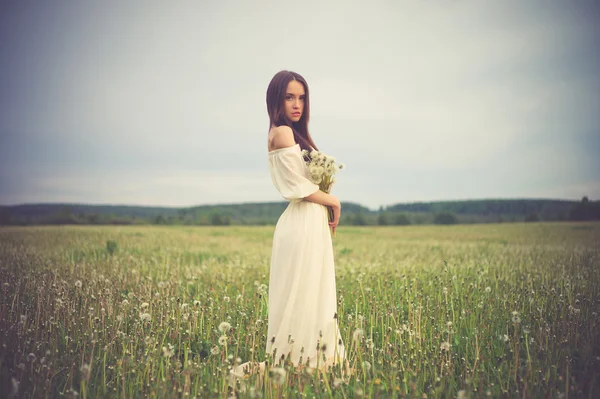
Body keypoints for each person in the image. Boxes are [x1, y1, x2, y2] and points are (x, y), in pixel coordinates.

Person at [229, 70, 351, 390]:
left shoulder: (292, 133)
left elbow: (305, 184)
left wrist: (324, 191)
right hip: (301, 222)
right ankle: (295, 363)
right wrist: (334, 201)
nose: (297, 104)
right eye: (289, 97)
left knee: (312, 291)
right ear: (275, 99)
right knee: (301, 293)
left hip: (310, 223)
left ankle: (309, 363)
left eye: (301, 97)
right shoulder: (282, 133)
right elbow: (297, 188)